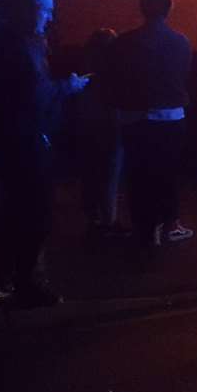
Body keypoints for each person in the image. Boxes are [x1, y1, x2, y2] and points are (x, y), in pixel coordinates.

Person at [0, 0, 88, 307]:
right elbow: (35, 95)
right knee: (34, 214)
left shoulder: (12, 42)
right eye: (45, 10)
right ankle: (26, 281)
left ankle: (2, 279)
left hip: (18, 140)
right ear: (27, 10)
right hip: (25, 143)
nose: (50, 18)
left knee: (18, 212)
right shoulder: (20, 47)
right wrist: (68, 86)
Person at [108, 0, 193, 250]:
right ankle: (169, 225)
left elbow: (117, 78)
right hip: (170, 117)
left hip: (134, 118)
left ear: (142, 10)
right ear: (168, 12)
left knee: (138, 174)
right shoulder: (180, 42)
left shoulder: (124, 42)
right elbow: (183, 75)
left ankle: (144, 229)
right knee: (166, 173)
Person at [71, 28, 123, 239]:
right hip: (111, 125)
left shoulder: (86, 71)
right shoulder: (116, 73)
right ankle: (109, 222)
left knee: (90, 172)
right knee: (110, 173)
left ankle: (93, 218)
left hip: (87, 125)